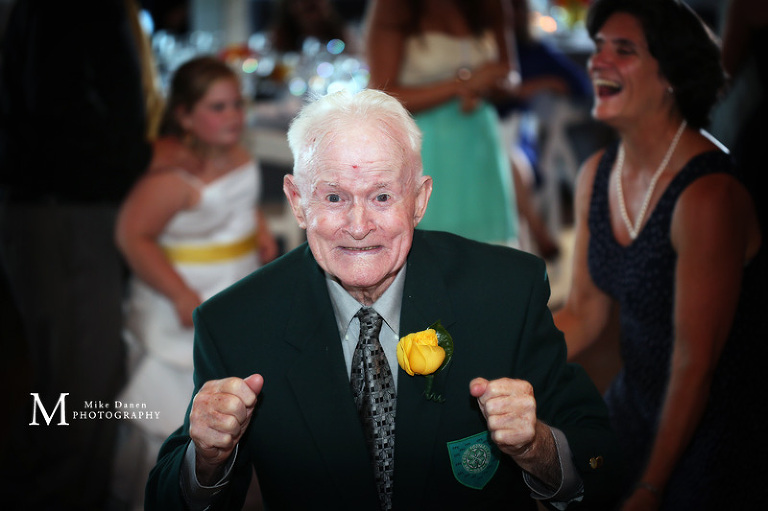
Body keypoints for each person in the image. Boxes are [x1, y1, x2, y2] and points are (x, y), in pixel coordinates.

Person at [144, 88, 622, 510]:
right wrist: (204, 460)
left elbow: (600, 460)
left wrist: (536, 445)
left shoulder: (505, 292)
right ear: (296, 201)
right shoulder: (235, 324)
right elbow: (168, 498)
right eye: (333, 197)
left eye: (381, 197)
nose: (357, 226)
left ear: (419, 199)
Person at [553, 1, 766, 509]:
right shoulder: (598, 173)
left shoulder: (707, 194)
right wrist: (496, 358)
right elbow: (585, 313)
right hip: (637, 400)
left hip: (719, 421)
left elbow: (694, 364)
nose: (598, 60)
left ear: (670, 74)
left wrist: (651, 485)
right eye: (599, 46)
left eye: (622, 50)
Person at [0, 0, 152, 508]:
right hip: (67, 207)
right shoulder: (68, 9)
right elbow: (60, 111)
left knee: (75, 373)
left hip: (66, 205)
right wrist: (139, 164)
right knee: (79, 381)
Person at [109, 55, 278, 510]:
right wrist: (180, 293)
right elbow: (133, 236)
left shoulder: (240, 156)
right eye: (217, 107)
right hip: (184, 296)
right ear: (183, 115)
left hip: (233, 283)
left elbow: (243, 203)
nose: (232, 117)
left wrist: (259, 232)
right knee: (178, 398)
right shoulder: (171, 179)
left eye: (237, 105)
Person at [364, 0, 520, 246]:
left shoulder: (491, 5)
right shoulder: (394, 6)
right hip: (425, 144)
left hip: (480, 141)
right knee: (431, 247)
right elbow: (381, 94)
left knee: (489, 249)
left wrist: (491, 84)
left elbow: (510, 73)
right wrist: (462, 85)